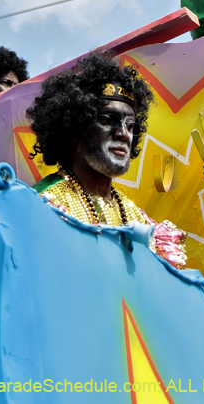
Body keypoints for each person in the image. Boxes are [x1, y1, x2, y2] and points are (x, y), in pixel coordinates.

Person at [26, 53, 187, 269]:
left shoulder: (137, 218)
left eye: (130, 126)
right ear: (74, 128)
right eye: (107, 120)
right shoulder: (43, 205)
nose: (123, 134)